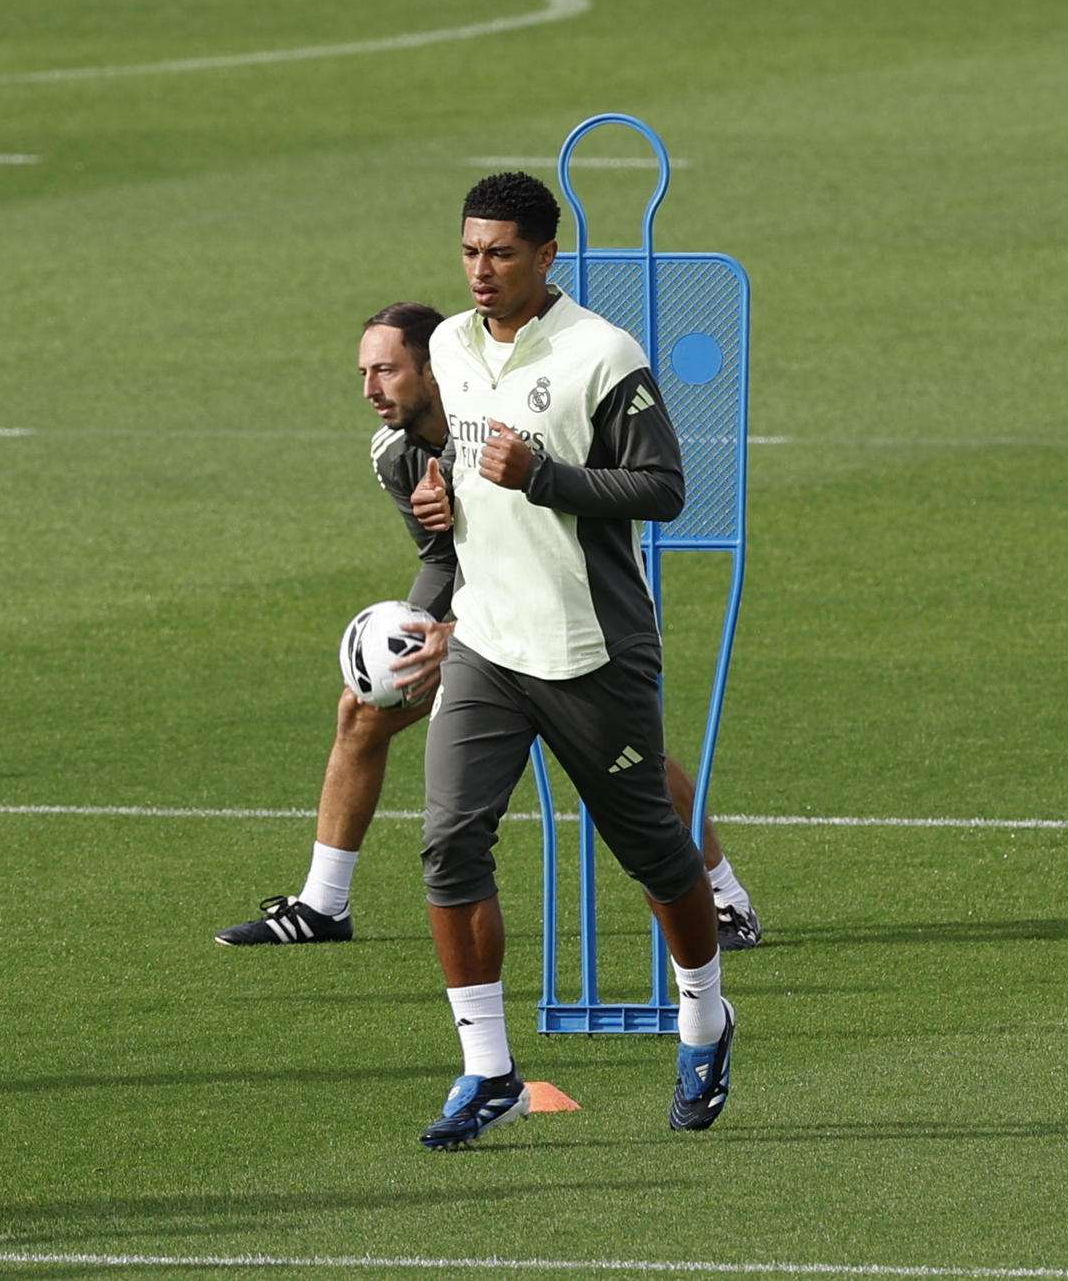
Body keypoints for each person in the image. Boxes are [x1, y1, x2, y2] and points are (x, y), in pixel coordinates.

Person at [213, 302, 761, 951]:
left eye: (386, 370)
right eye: (364, 372)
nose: (369, 390)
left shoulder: (510, 420)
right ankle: (323, 903)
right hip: (483, 622)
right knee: (362, 708)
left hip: (570, 609)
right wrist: (418, 630)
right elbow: (443, 556)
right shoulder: (395, 455)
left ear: (433, 370)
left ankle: (724, 896)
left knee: (622, 756)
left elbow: (608, 507)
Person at [411, 172, 737, 1151]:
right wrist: (440, 510)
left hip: (591, 652)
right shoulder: (446, 346)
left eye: (501, 252)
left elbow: (665, 487)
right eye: (470, 250)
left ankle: (705, 1018)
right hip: (486, 647)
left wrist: (544, 475)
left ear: (547, 257)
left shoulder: (603, 354)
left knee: (653, 854)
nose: (480, 269)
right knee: (448, 844)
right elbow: (450, 466)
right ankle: (488, 1067)